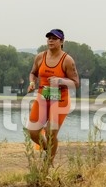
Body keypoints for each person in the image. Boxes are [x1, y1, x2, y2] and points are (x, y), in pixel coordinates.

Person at [27, 28, 79, 163]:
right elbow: (33, 73)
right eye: (49, 38)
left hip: (60, 100)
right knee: (33, 132)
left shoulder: (67, 60)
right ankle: (49, 149)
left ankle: (48, 163)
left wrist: (60, 81)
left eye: (54, 38)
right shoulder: (40, 57)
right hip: (43, 98)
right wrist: (32, 82)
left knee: (50, 133)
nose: (50, 40)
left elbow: (76, 83)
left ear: (61, 41)